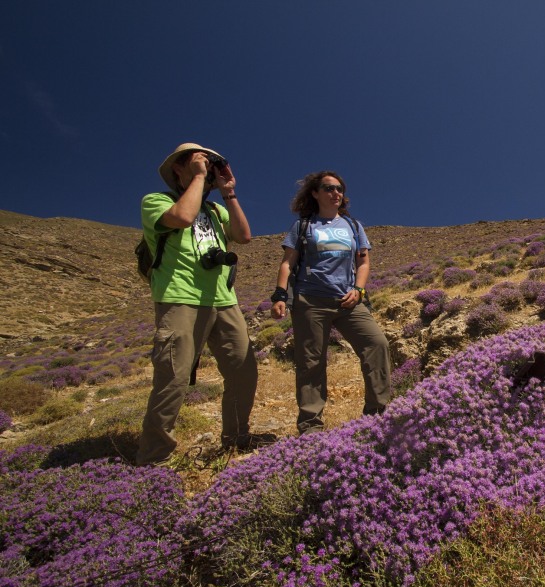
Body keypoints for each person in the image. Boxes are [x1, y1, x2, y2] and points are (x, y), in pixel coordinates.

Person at [136, 142, 261, 466]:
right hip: (179, 298)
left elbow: (244, 236)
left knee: (243, 371)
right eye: (196, 160)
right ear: (177, 168)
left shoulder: (216, 211)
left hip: (223, 299)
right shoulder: (155, 201)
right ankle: (154, 460)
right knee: (173, 378)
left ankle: (237, 438)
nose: (205, 166)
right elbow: (183, 216)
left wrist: (228, 192)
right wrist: (198, 175)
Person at [270, 171, 391, 434]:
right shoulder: (304, 226)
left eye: (339, 188)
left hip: (348, 300)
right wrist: (280, 295)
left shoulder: (353, 226)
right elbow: (287, 262)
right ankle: (311, 426)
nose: (336, 193)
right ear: (315, 193)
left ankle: (377, 414)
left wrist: (359, 289)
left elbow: (363, 261)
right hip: (310, 301)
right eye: (329, 188)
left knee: (377, 344)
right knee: (311, 361)